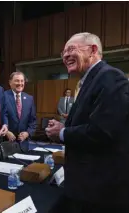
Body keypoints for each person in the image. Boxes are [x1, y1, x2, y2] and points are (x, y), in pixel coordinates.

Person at [46, 32, 129, 213]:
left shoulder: (110, 78)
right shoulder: (91, 81)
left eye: (71, 49)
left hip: (100, 192)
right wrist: (64, 127)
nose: (66, 55)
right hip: (86, 186)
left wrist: (62, 133)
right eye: (63, 52)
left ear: (92, 50)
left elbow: (102, 132)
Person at [4, 72, 37, 153]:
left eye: (22, 81)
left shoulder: (29, 98)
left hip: (23, 144)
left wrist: (27, 133)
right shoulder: (3, 96)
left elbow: (33, 121)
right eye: (17, 81)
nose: (20, 83)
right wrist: (6, 132)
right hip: (7, 143)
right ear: (10, 82)